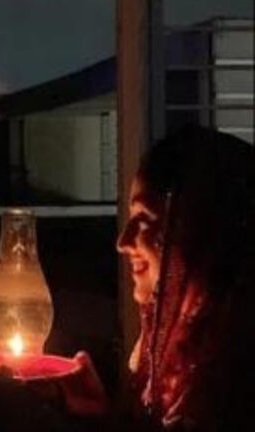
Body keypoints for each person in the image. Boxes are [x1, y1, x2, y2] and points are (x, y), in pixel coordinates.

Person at [114, 124, 255, 430]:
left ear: (197, 232)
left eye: (145, 219)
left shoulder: (232, 382)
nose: (123, 242)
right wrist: (98, 412)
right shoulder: (179, 360)